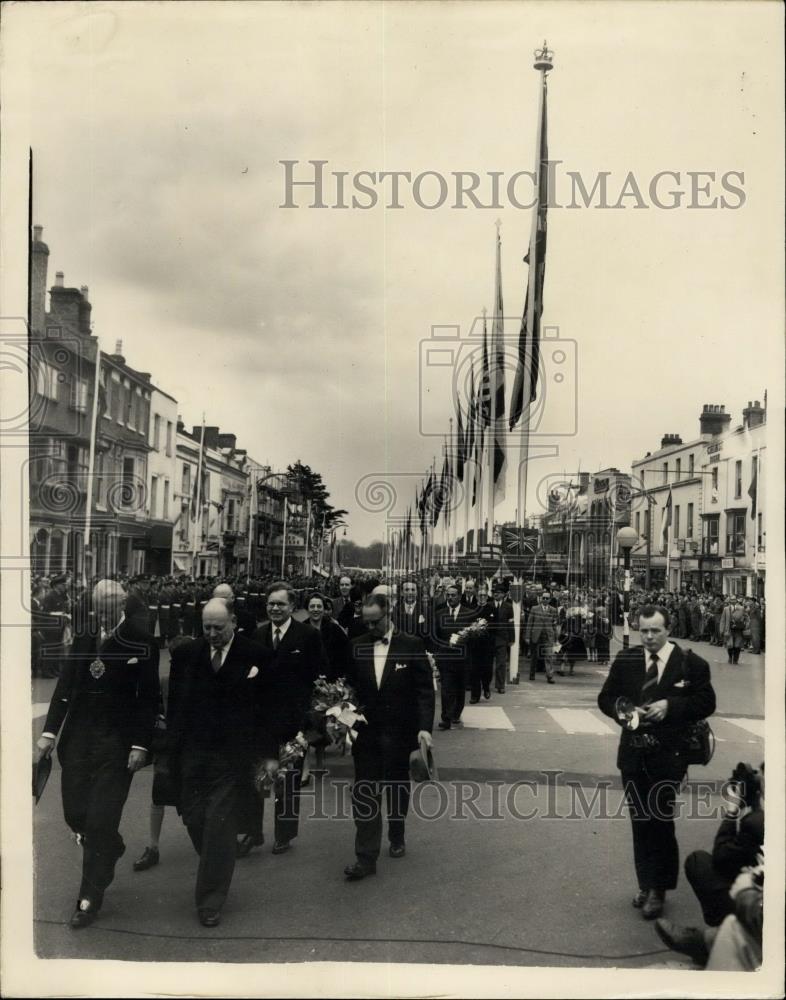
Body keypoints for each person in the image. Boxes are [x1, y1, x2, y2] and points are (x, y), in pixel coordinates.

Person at [34, 580, 160, 929]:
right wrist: (48, 733)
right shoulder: (85, 637)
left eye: (105, 610)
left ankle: (88, 898)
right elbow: (65, 686)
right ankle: (113, 846)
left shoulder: (141, 640)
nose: (99, 616)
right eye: (96, 608)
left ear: (120, 606)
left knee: (99, 821)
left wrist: (140, 744)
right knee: (76, 814)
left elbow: (149, 698)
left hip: (117, 746)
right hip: (79, 741)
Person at [597, 605, 716, 921]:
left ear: (669, 629)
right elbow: (606, 698)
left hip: (669, 756)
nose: (648, 637)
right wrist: (625, 713)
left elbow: (707, 702)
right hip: (633, 754)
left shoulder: (691, 664)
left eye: (655, 631)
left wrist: (671, 706)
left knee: (660, 820)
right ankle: (646, 883)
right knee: (640, 820)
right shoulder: (627, 660)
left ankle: (659, 890)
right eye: (644, 630)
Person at [166, 599, 272, 927]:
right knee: (195, 819)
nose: (212, 634)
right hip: (193, 756)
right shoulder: (186, 656)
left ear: (234, 622)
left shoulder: (256, 656)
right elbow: (175, 708)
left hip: (233, 759)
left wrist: (269, 756)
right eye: (206, 627)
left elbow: (270, 711)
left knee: (218, 824)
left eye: (218, 627)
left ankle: (210, 899)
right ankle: (217, 860)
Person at [342, 593, 434, 880]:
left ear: (388, 614)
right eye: (365, 623)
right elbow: (347, 690)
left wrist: (424, 728)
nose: (370, 628)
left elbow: (424, 690)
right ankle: (366, 857)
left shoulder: (411, 645)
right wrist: (343, 718)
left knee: (397, 787)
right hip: (367, 734)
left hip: (400, 732)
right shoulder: (355, 646)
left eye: (375, 623)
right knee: (365, 792)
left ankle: (397, 832)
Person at [654, 761, 764, 963]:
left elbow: (722, 857)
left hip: (766, 912)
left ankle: (711, 939)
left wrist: (732, 812)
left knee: (698, 862)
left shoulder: (758, 822)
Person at [252, 582, 327, 855]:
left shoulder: (307, 636)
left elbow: (319, 677)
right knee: (258, 778)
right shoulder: (257, 635)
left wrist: (309, 721)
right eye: (271, 603)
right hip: (260, 720)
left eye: (280, 604)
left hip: (293, 722)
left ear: (292, 607)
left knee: (288, 780)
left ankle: (284, 834)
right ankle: (252, 832)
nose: (274, 608)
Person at [432, 584, 475, 729]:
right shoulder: (439, 613)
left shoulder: (469, 613)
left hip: (462, 659)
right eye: (448, 595)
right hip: (445, 659)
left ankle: (456, 713)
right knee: (446, 689)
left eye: (453, 595)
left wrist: (466, 637)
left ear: (459, 596)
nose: (450, 598)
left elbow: (475, 638)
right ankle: (446, 718)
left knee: (459, 688)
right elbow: (435, 636)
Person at [477, 582, 515, 697]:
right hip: (489, 638)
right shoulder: (488, 605)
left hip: (502, 638)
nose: (496, 595)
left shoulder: (508, 607)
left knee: (501, 663)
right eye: (494, 593)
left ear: (503, 594)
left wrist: (512, 638)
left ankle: (500, 685)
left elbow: (511, 623)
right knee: (487, 664)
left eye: (498, 593)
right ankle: (486, 685)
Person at [306, 592, 350, 681]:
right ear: (307, 609)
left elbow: (345, 653)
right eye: (312, 606)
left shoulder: (335, 629)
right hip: (308, 680)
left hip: (333, 680)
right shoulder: (300, 629)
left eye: (319, 606)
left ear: (323, 608)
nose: (315, 609)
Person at [523, 590, 557, 684]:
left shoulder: (553, 610)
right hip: (536, 635)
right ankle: (532, 673)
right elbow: (529, 623)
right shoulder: (534, 608)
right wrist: (527, 636)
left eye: (547, 598)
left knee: (549, 656)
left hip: (548, 636)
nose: (545, 600)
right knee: (534, 656)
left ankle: (550, 676)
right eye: (544, 598)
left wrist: (556, 638)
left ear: (550, 600)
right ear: (541, 599)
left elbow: (554, 625)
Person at [720, 597, 747, 665]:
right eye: (731, 600)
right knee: (730, 645)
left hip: (738, 630)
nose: (733, 601)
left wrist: (743, 625)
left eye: (734, 599)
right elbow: (723, 620)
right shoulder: (726, 609)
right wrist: (721, 629)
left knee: (737, 645)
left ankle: (735, 659)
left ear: (736, 600)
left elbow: (746, 618)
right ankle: (730, 657)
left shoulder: (741, 608)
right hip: (729, 630)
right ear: (729, 601)